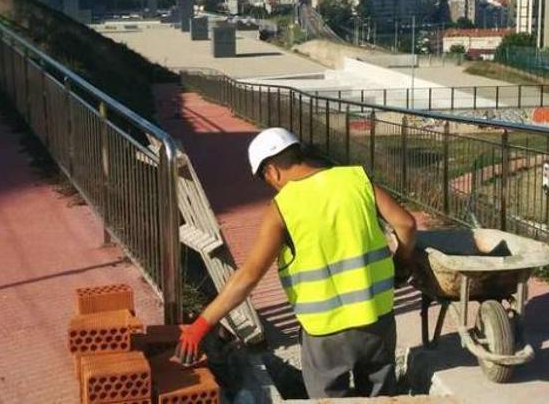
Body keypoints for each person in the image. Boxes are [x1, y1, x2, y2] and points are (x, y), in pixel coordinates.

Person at [175, 127, 417, 398]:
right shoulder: (355, 179)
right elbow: (406, 224)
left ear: (272, 171)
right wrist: (401, 264)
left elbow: (248, 277)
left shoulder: (282, 209)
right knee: (380, 397)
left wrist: (201, 325)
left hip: (325, 332)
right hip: (378, 318)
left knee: (328, 399)